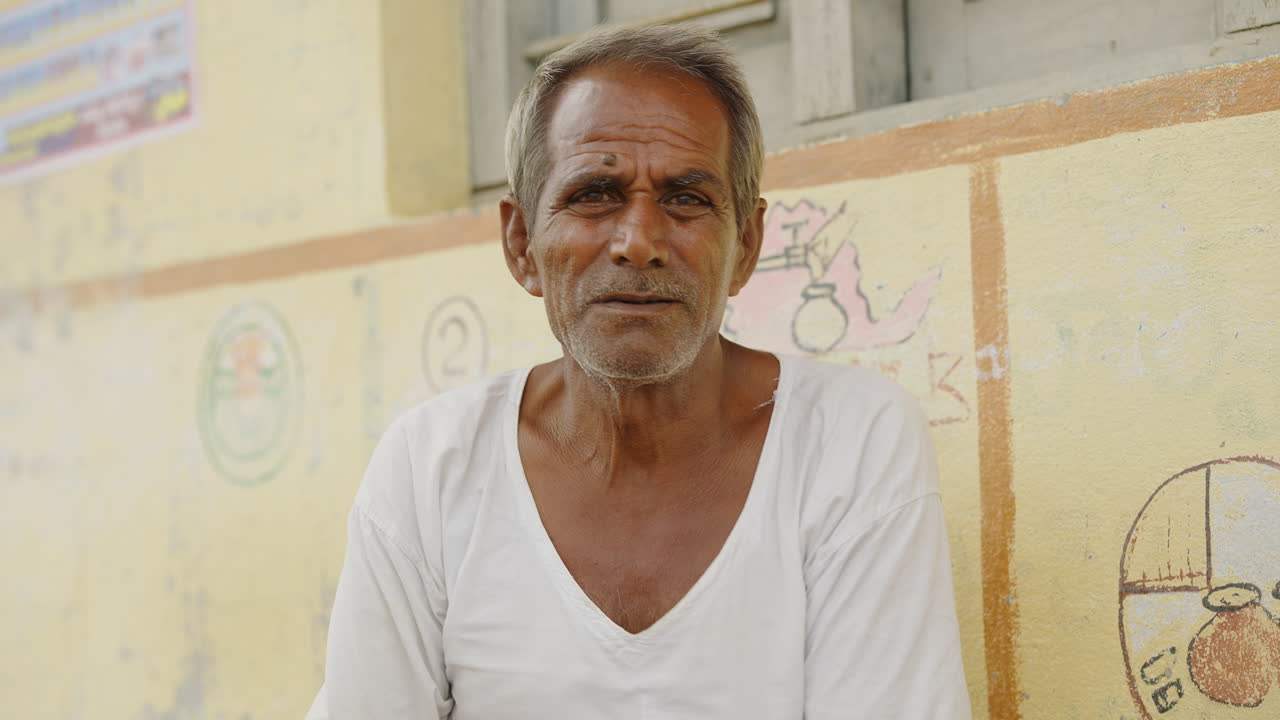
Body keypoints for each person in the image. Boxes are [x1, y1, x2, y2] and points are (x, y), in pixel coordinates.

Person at [308, 23, 970, 719]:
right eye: (595, 193)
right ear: (520, 242)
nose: (638, 242)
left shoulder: (850, 442)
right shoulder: (432, 466)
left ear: (745, 246)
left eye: (687, 198)